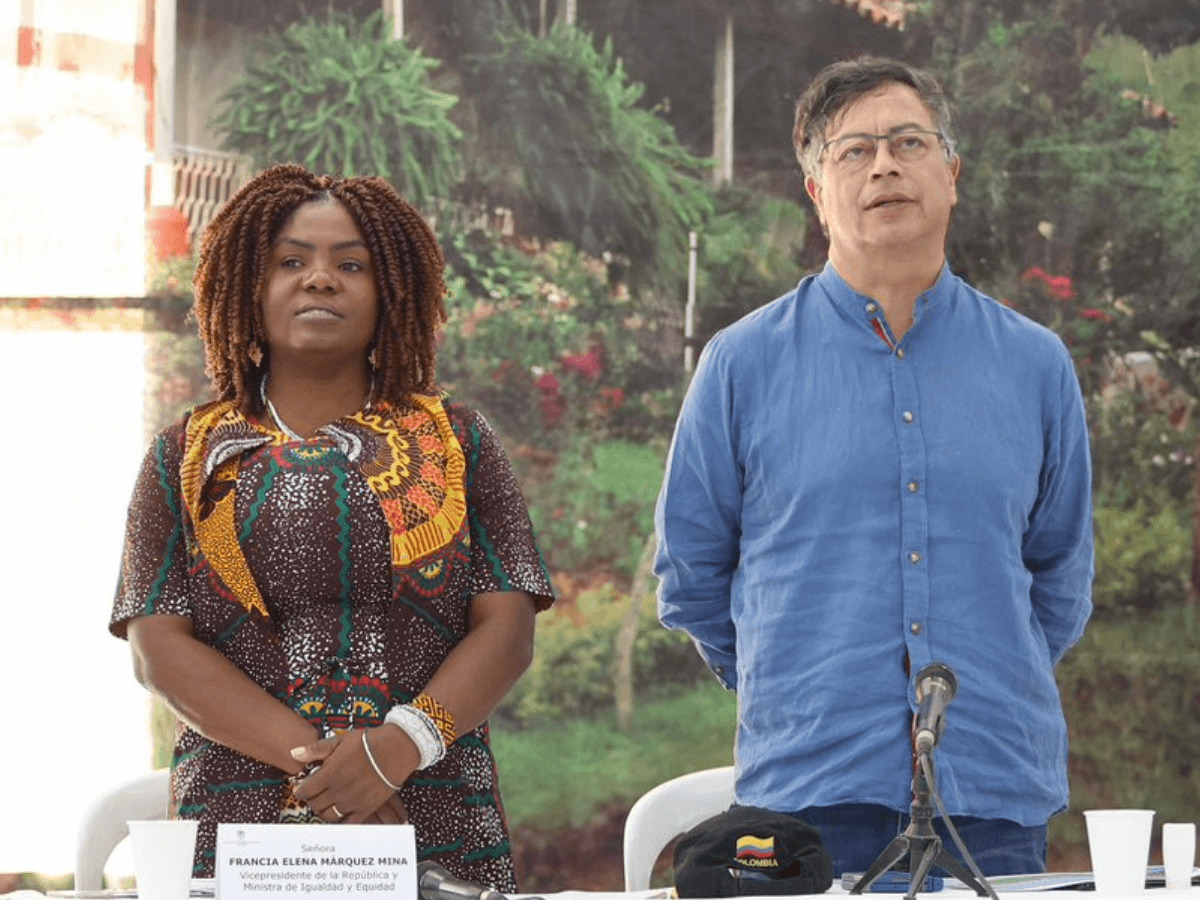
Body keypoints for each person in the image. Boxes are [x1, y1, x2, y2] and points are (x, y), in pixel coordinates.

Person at [654, 56, 1093, 877]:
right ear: (817, 192)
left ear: (951, 172)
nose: (884, 164)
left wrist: (992, 670)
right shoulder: (740, 365)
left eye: (907, 142)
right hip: (807, 800)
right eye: (853, 151)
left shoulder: (1036, 365)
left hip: (992, 795)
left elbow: (1060, 575)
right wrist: (799, 686)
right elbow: (691, 578)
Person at [111, 163, 554, 889]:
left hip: (431, 813)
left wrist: (399, 748)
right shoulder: (181, 454)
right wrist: (330, 772)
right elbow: (158, 649)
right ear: (246, 288)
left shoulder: (461, 441)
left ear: (392, 294)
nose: (320, 279)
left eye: (352, 263)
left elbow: (507, 629)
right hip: (245, 830)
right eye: (290, 261)